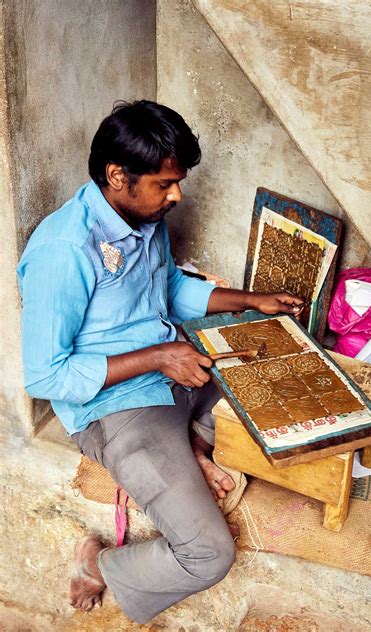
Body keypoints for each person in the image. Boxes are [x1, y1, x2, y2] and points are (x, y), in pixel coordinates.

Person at [17, 100, 304, 625]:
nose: (178, 195)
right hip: (118, 409)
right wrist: (159, 356)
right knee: (208, 554)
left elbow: (167, 288)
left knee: (278, 366)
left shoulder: (144, 218)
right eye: (165, 183)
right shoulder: (65, 249)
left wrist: (248, 300)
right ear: (117, 175)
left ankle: (190, 442)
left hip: (174, 365)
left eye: (179, 181)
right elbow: (44, 375)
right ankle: (102, 564)